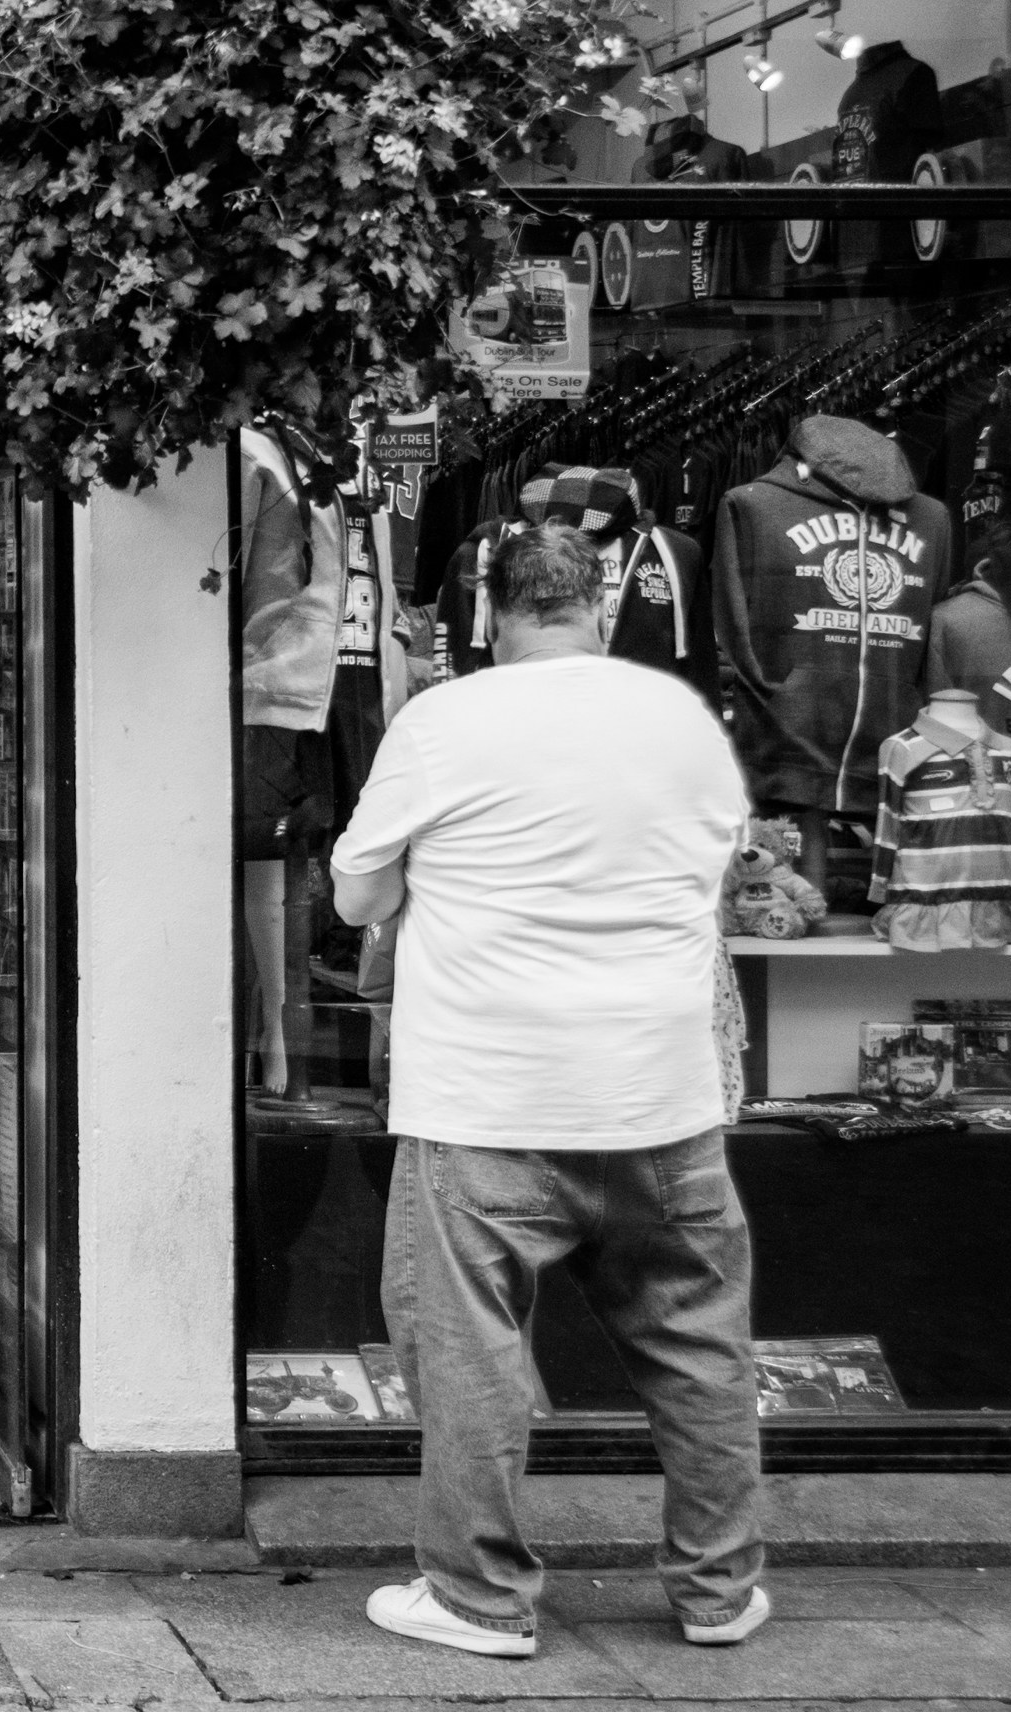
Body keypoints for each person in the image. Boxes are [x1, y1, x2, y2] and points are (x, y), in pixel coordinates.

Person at [328, 520, 769, 1660]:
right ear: (606, 608)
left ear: (492, 610)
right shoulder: (680, 719)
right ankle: (718, 1594)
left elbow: (355, 901)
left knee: (467, 1356)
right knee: (698, 1351)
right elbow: (717, 868)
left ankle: (480, 1600)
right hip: (660, 1096)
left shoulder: (444, 720)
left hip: (487, 1096)